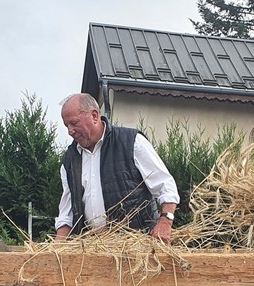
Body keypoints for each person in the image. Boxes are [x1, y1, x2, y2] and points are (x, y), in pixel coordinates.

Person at [54, 93, 179, 241]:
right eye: (66, 126)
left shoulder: (131, 142)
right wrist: (57, 249)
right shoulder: (70, 160)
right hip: (94, 249)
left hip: (138, 245)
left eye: (74, 123)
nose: (70, 131)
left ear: (94, 116)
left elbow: (165, 185)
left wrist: (165, 222)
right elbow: (67, 214)